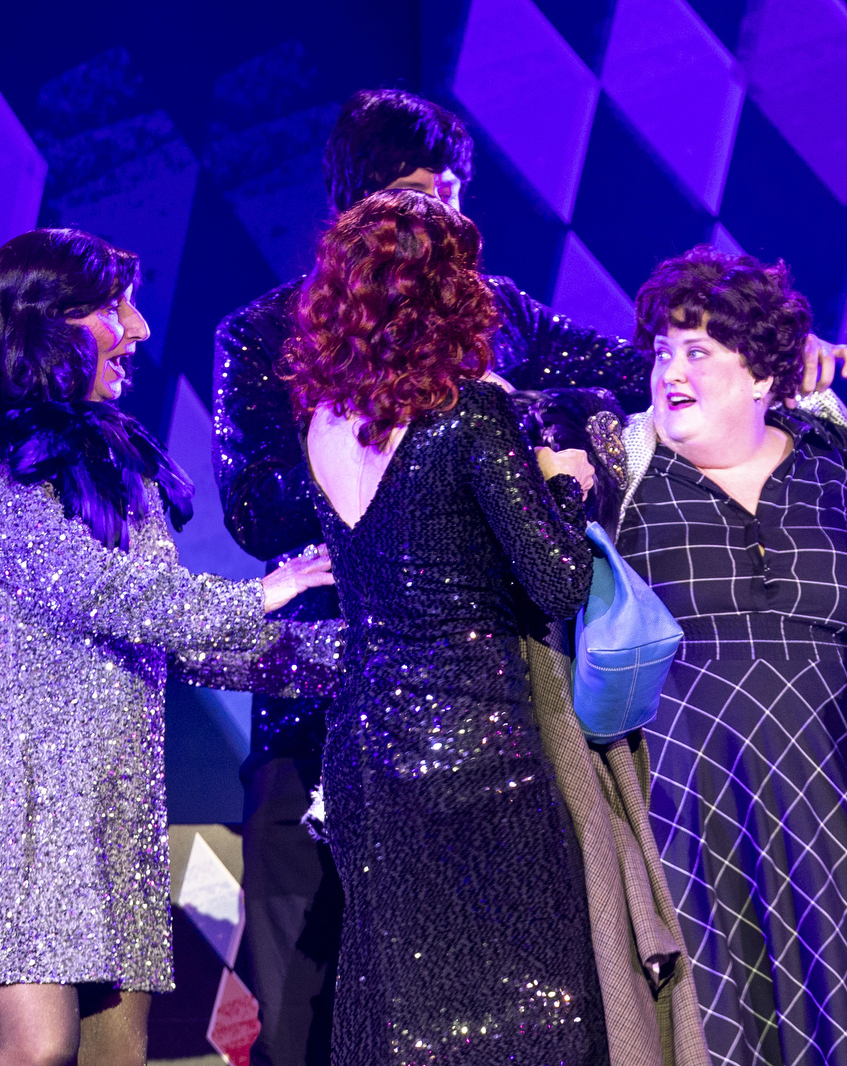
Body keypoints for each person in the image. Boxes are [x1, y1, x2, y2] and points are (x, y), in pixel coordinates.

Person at [211, 88, 847, 1065]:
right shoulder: (267, 338)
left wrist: (752, 349)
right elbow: (255, 512)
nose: (443, 217)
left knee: (496, 993)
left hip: (498, 699)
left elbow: (633, 372)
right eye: (418, 195)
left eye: (453, 194)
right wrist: (430, 453)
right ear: (356, 205)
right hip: (331, 707)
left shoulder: (496, 317)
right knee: (328, 998)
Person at [0, 229, 338, 1066]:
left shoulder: (118, 460)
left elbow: (171, 633)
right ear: (47, 321)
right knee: (38, 1049)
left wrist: (349, 656)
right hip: (22, 803)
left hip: (114, 800)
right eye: (115, 308)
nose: (139, 329)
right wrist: (258, 593)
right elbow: (89, 587)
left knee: (118, 1054)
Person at [610, 246, 847, 1065]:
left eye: (699, 351)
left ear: (764, 374)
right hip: (691, 821)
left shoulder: (834, 460)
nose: (672, 371)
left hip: (838, 819)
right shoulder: (623, 466)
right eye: (663, 352)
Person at [283, 188, 610, 1063]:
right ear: (450, 296)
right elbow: (560, 581)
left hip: (364, 754)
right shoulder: (470, 414)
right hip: (480, 751)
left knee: (403, 1019)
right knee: (532, 1016)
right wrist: (566, 482)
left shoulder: (320, 425)